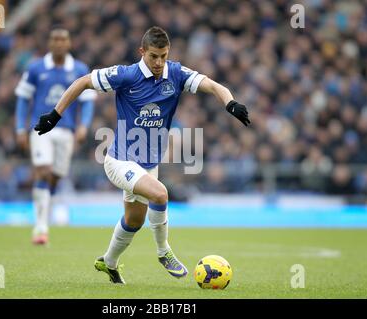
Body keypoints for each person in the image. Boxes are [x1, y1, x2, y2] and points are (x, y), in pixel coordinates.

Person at [34, 26, 250, 282]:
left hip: (148, 164)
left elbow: (213, 85)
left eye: (163, 56)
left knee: (134, 220)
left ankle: (109, 262)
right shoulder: (125, 75)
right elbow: (82, 82)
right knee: (160, 193)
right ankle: (164, 252)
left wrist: (231, 103)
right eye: (153, 56)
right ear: (142, 52)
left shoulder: (176, 73)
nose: (159, 62)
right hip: (119, 160)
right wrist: (55, 115)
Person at [15, 26, 96, 245]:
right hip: (41, 128)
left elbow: (87, 102)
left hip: (67, 130)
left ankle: (44, 217)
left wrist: (83, 126)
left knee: (55, 177)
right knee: (43, 171)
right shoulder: (35, 68)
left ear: (69, 43)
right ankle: (40, 227)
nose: (59, 43)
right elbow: (23, 99)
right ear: (50, 43)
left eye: (63, 39)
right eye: (55, 39)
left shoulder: (79, 69)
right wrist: (20, 129)